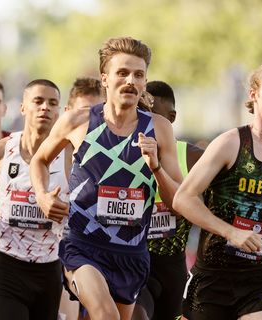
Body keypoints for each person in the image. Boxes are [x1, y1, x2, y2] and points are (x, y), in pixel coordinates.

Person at [30, 37, 183, 320]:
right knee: (105, 315)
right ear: (105, 79)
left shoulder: (159, 129)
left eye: (138, 75)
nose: (130, 81)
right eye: (122, 73)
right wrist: (41, 194)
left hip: (131, 252)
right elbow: (39, 160)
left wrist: (157, 167)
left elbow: (178, 201)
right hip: (83, 245)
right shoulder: (78, 121)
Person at [172, 62, 262, 320]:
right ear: (254, 94)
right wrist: (231, 232)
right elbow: (183, 199)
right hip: (213, 276)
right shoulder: (230, 143)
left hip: (261, 278)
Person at [0, 79, 67, 320]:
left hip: (50, 269)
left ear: (60, 111)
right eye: (38, 101)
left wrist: (65, 209)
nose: (45, 107)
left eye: (52, 103)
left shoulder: (70, 153)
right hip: (9, 268)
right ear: (23, 107)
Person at [132, 80, 204, 320]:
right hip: (134, 260)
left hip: (173, 267)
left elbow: (212, 213)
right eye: (139, 113)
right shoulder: (119, 155)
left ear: (170, 118)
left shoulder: (193, 158)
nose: (145, 123)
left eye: (151, 115)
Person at [57, 77, 105, 320]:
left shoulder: (110, 161)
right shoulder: (49, 155)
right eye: (87, 111)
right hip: (49, 257)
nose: (92, 120)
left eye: (99, 111)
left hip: (97, 253)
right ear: (68, 113)